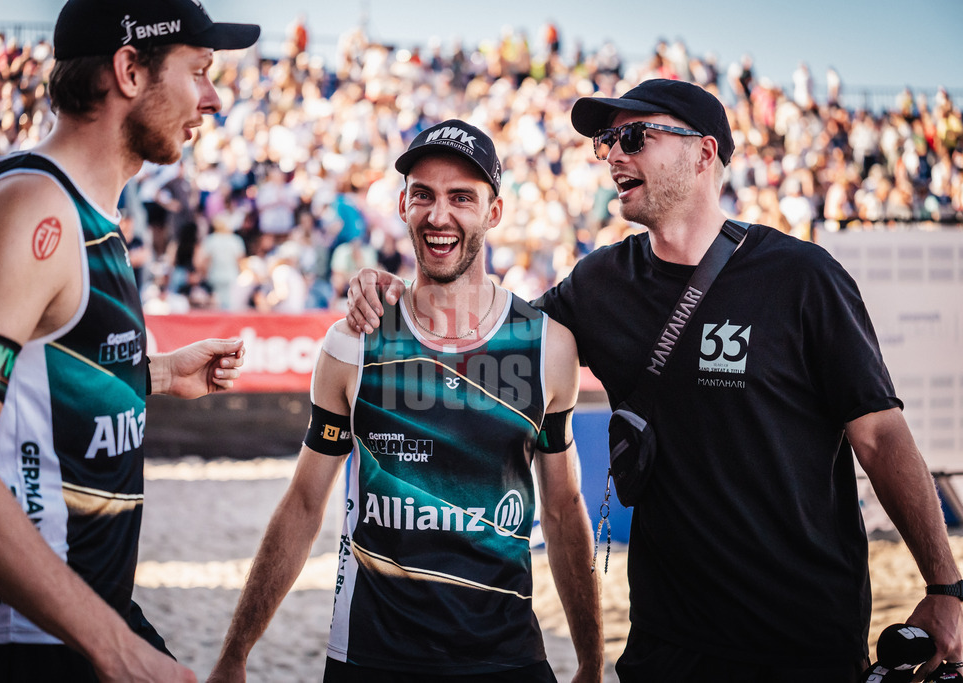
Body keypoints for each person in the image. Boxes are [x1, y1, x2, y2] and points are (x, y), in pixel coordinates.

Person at [344, 80, 963, 682]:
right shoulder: (598, 283)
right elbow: (490, 331)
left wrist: (944, 587)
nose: (614, 154)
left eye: (635, 136)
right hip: (667, 643)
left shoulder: (802, 278)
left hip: (803, 638)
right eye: (606, 143)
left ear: (703, 152)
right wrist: (395, 290)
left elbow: (880, 437)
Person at [207, 119, 603, 682]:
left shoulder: (546, 347)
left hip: (505, 658)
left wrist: (590, 662)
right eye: (424, 195)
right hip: (371, 656)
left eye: (461, 197)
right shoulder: (354, 342)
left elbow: (563, 509)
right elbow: (303, 504)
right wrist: (234, 653)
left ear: (494, 212)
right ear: (402, 204)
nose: (439, 216)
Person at [0, 0, 258, 680]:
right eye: (199, 72)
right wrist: (113, 648)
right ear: (129, 71)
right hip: (20, 639)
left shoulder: (89, 212)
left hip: (77, 617)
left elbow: (37, 375)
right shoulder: (30, 212)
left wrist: (160, 375)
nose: (212, 98)